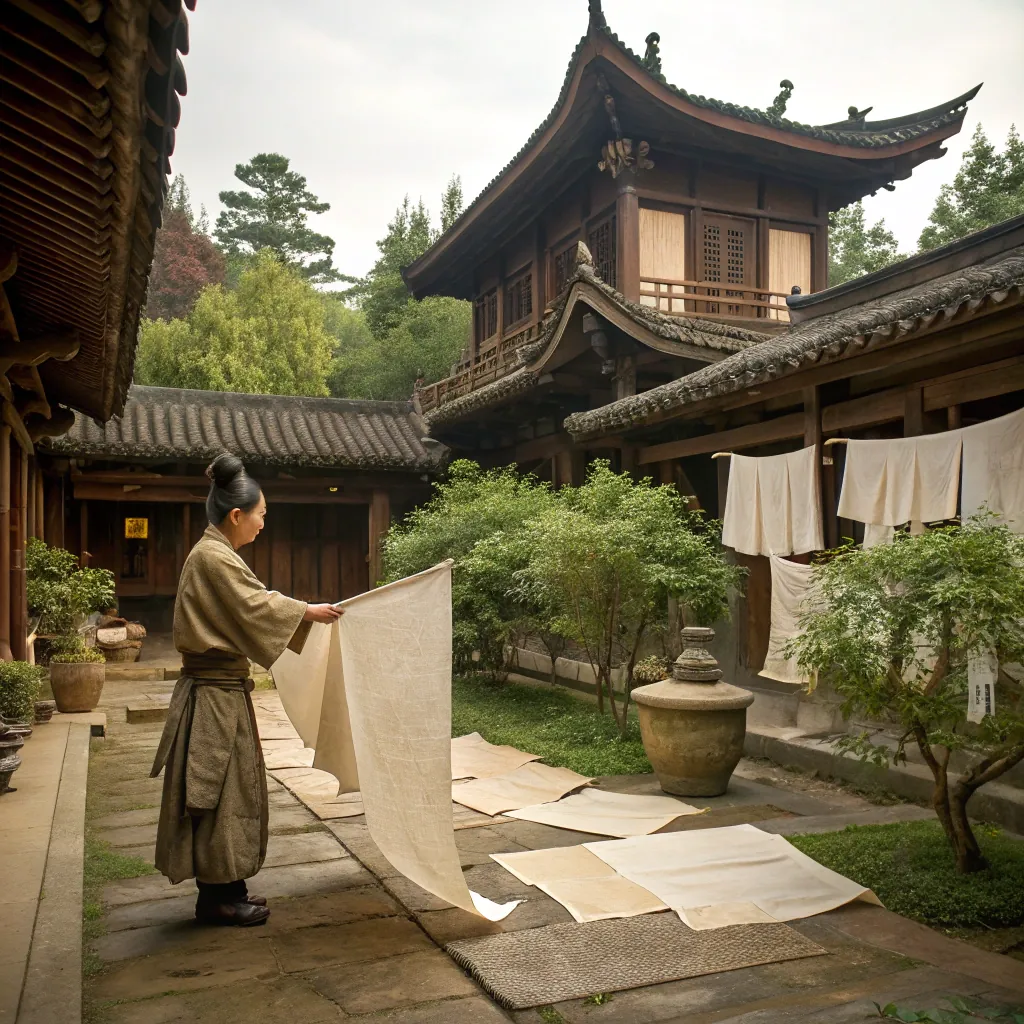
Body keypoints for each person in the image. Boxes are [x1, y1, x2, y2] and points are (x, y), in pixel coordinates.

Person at [151, 453, 341, 926]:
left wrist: (301, 612)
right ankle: (217, 897)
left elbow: (250, 606)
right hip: (214, 695)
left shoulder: (215, 554)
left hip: (221, 692)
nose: (262, 524)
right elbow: (255, 605)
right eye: (260, 515)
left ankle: (227, 888)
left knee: (230, 790)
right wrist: (306, 611)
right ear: (236, 515)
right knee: (219, 792)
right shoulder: (213, 556)